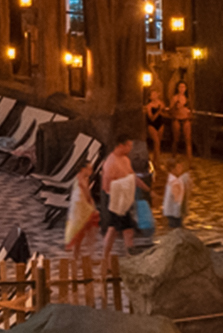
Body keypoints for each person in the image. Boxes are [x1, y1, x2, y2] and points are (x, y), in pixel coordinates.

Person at [100, 136, 147, 267]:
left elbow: (132, 178)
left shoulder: (125, 160)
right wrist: (121, 187)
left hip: (124, 201)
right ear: (121, 145)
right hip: (116, 201)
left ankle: (122, 257)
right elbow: (106, 186)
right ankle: (125, 258)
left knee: (116, 230)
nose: (131, 149)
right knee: (125, 231)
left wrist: (147, 189)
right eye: (129, 146)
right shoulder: (110, 163)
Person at [64, 161, 99, 263]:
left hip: (80, 207)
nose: (91, 170)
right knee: (86, 233)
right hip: (81, 208)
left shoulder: (83, 178)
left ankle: (79, 256)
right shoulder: (81, 178)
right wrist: (92, 206)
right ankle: (86, 256)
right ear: (83, 169)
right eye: (89, 168)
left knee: (82, 233)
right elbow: (87, 194)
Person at [162, 158, 192, 230]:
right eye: (178, 167)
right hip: (174, 211)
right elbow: (176, 198)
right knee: (176, 228)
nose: (181, 169)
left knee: (174, 227)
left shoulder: (172, 179)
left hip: (170, 210)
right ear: (173, 169)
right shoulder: (174, 182)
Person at [170, 81, 194, 158]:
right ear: (177, 88)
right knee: (176, 139)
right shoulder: (174, 98)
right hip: (177, 119)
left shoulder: (188, 98)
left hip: (186, 119)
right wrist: (176, 107)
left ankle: (189, 160)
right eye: (180, 87)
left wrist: (189, 114)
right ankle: (174, 157)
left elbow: (191, 109)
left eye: (183, 87)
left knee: (188, 140)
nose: (182, 89)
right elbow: (171, 110)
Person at [145, 87, 167, 156]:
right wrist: (158, 112)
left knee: (158, 144)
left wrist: (162, 113)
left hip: (160, 124)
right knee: (156, 141)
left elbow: (165, 115)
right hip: (152, 125)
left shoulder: (161, 103)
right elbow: (151, 118)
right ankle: (157, 163)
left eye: (156, 94)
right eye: (153, 94)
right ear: (150, 97)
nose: (155, 96)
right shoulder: (149, 106)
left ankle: (155, 160)